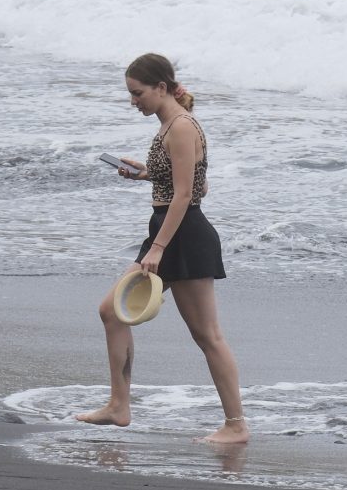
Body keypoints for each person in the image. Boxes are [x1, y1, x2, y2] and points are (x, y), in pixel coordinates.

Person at [76, 53, 248, 445]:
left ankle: (237, 426)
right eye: (130, 94)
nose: (133, 101)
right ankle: (119, 406)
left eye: (138, 93)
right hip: (168, 231)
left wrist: (157, 248)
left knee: (208, 336)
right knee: (111, 312)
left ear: (161, 87)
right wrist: (147, 173)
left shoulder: (182, 126)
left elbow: (188, 195)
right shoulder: (170, 124)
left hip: (182, 236)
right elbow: (195, 183)